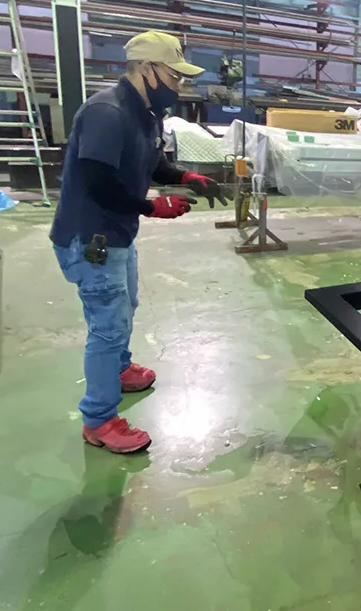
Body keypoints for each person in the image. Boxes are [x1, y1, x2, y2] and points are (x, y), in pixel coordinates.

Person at [50, 31, 227, 454]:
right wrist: (151, 207)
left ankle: (120, 369)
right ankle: (99, 420)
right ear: (147, 69)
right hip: (91, 237)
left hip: (116, 233)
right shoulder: (106, 113)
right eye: (174, 76)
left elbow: (151, 161)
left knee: (124, 307)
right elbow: (97, 182)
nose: (178, 86)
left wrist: (185, 177)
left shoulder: (145, 113)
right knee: (108, 326)